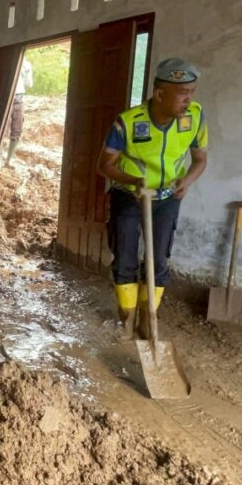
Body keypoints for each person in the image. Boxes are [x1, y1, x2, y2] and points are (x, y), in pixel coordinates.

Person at [97, 57, 208, 340]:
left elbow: (200, 160)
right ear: (160, 94)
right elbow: (104, 165)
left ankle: (148, 323)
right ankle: (127, 320)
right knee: (125, 259)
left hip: (167, 199)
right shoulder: (128, 123)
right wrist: (134, 181)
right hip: (129, 197)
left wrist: (186, 182)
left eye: (191, 92)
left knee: (158, 261)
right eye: (183, 93)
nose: (188, 100)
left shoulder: (194, 118)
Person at [6, 56, 34, 164]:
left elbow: (29, 84)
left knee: (16, 130)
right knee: (2, 131)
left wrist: (26, 70)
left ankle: (9, 160)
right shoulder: (8, 61)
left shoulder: (26, 64)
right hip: (6, 99)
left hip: (19, 99)